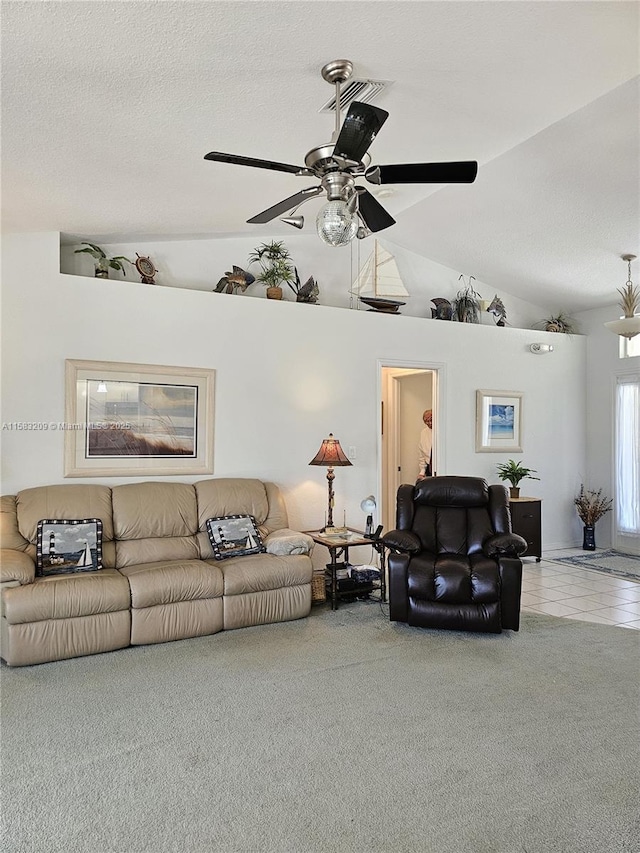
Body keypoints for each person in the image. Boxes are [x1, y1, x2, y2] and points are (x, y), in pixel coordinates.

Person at [417, 409, 433, 480]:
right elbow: (422, 454)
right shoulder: (424, 433)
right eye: (426, 421)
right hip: (429, 468)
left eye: (431, 420)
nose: (429, 423)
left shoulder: (441, 430)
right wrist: (422, 471)